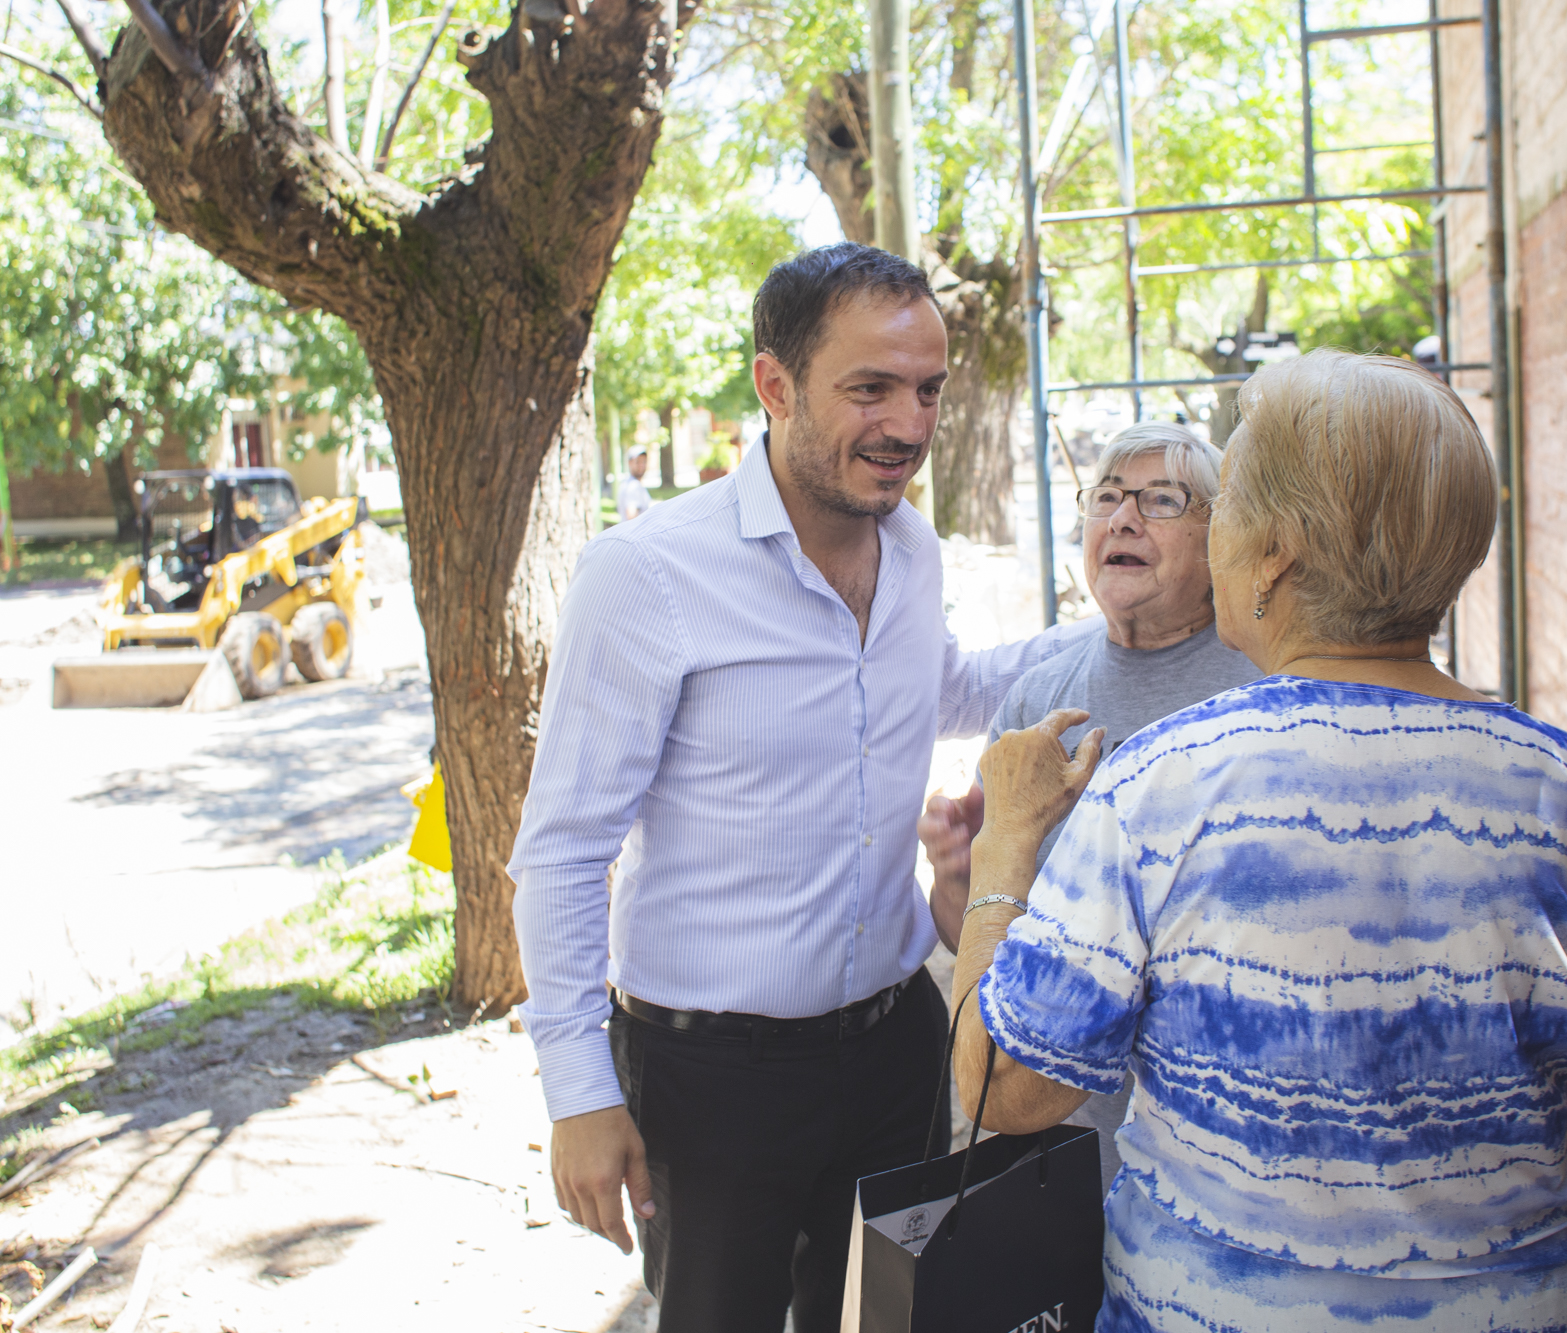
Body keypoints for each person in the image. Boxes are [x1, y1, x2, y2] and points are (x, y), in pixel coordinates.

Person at [949, 349, 1567, 1332]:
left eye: (1219, 513)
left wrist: (1005, 837)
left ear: (1273, 556)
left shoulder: (1162, 786)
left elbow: (996, 1087)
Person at [508, 242, 1091, 1333]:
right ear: (773, 386)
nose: (907, 426)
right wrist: (577, 1091)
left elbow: (944, 686)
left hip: (894, 1048)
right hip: (708, 1077)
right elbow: (560, 851)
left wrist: (1120, 632)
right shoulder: (647, 576)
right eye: (868, 388)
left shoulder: (909, 546)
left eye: (927, 390)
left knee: (884, 1321)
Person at [919, 420, 1258, 1193]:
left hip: (1217, 1162)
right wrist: (955, 876)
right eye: (1106, 497)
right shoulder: (1040, 698)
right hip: (1061, 1158)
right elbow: (980, 936)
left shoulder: (1259, 685)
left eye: (1160, 499)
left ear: (1218, 536)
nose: (1122, 519)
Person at [615, 445, 654, 522]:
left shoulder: (627, 483)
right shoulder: (633, 486)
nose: (641, 465)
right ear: (630, 463)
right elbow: (632, 517)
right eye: (638, 462)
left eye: (644, 461)